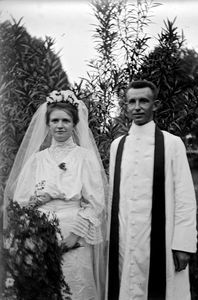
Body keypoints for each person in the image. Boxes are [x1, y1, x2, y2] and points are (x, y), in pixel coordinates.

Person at [4, 90, 108, 300]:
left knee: (74, 284)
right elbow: (21, 202)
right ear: (48, 124)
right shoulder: (37, 160)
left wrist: (74, 237)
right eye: (55, 120)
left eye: (66, 120)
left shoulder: (84, 158)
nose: (60, 125)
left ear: (74, 124)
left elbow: (95, 202)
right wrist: (37, 209)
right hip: (40, 236)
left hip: (74, 234)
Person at [107, 80, 197, 300]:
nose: (137, 107)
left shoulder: (172, 144)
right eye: (132, 102)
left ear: (154, 105)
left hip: (161, 241)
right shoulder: (117, 146)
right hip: (126, 239)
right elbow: (113, 197)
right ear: (125, 106)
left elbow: (185, 196)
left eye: (143, 101)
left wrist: (183, 245)